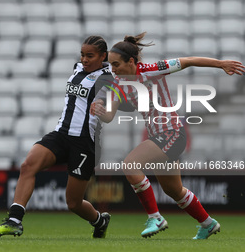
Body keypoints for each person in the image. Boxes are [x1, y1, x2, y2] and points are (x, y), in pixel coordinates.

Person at [90, 32, 245, 240]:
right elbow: (109, 116)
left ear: (131, 61)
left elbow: (188, 61)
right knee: (174, 190)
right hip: (160, 136)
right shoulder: (118, 82)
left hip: (171, 132)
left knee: (130, 164)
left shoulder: (153, 70)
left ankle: (155, 217)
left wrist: (221, 64)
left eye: (116, 64)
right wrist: (100, 109)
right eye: (111, 65)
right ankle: (208, 224)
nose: (113, 69)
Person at [0, 35, 115, 238]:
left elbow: (109, 115)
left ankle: (100, 220)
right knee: (28, 166)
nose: (84, 59)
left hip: (83, 143)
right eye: (82, 54)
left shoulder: (107, 78)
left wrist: (103, 110)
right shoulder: (78, 68)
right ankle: (14, 220)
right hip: (61, 134)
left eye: (90, 56)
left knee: (73, 203)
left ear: (103, 56)